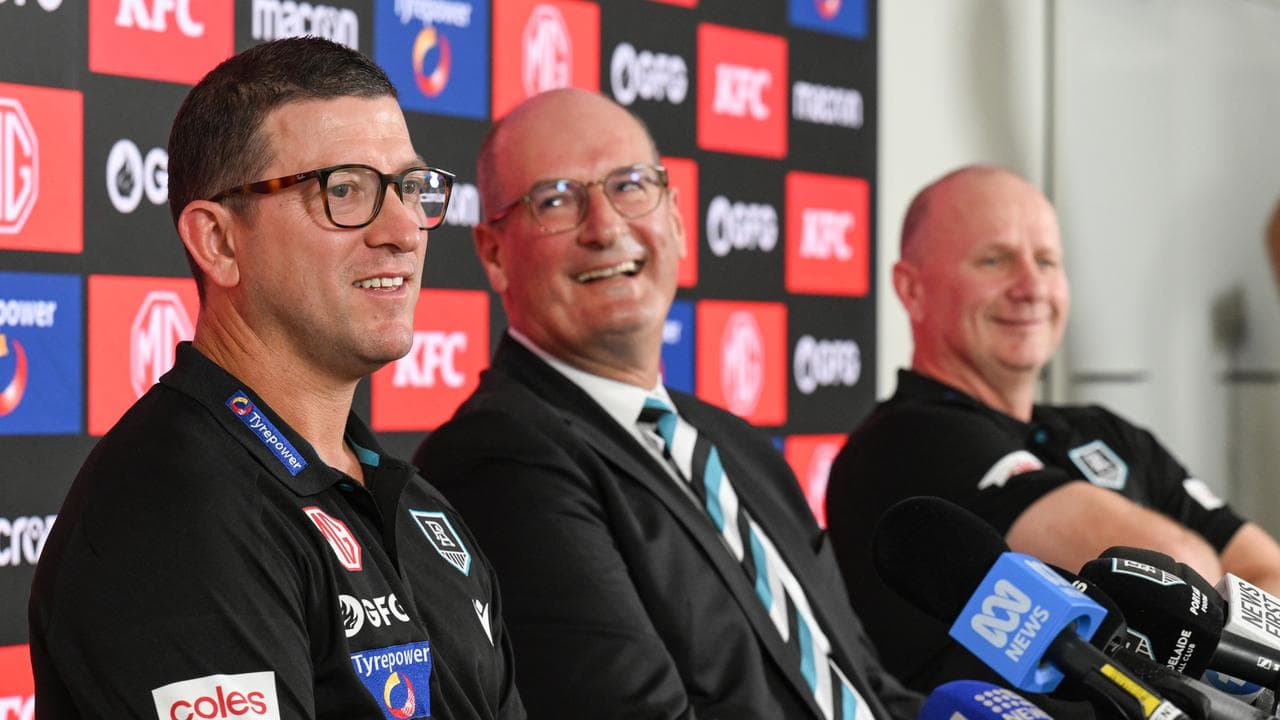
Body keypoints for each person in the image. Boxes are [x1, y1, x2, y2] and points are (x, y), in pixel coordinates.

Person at [29, 38, 524, 719]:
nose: (405, 230)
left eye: (412, 189)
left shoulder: (414, 505)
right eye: (345, 190)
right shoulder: (173, 512)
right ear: (220, 243)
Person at [413, 88, 921, 720]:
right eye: (556, 201)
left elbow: (866, 687)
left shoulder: (736, 447)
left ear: (676, 219)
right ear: (494, 253)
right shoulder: (498, 458)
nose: (605, 227)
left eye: (629, 186)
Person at [824, 164, 1280, 692]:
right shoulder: (904, 441)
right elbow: (1181, 582)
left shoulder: (1105, 431)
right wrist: (1224, 617)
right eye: (994, 260)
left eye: (1046, 261)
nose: (1031, 286)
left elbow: (1265, 575)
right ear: (912, 289)